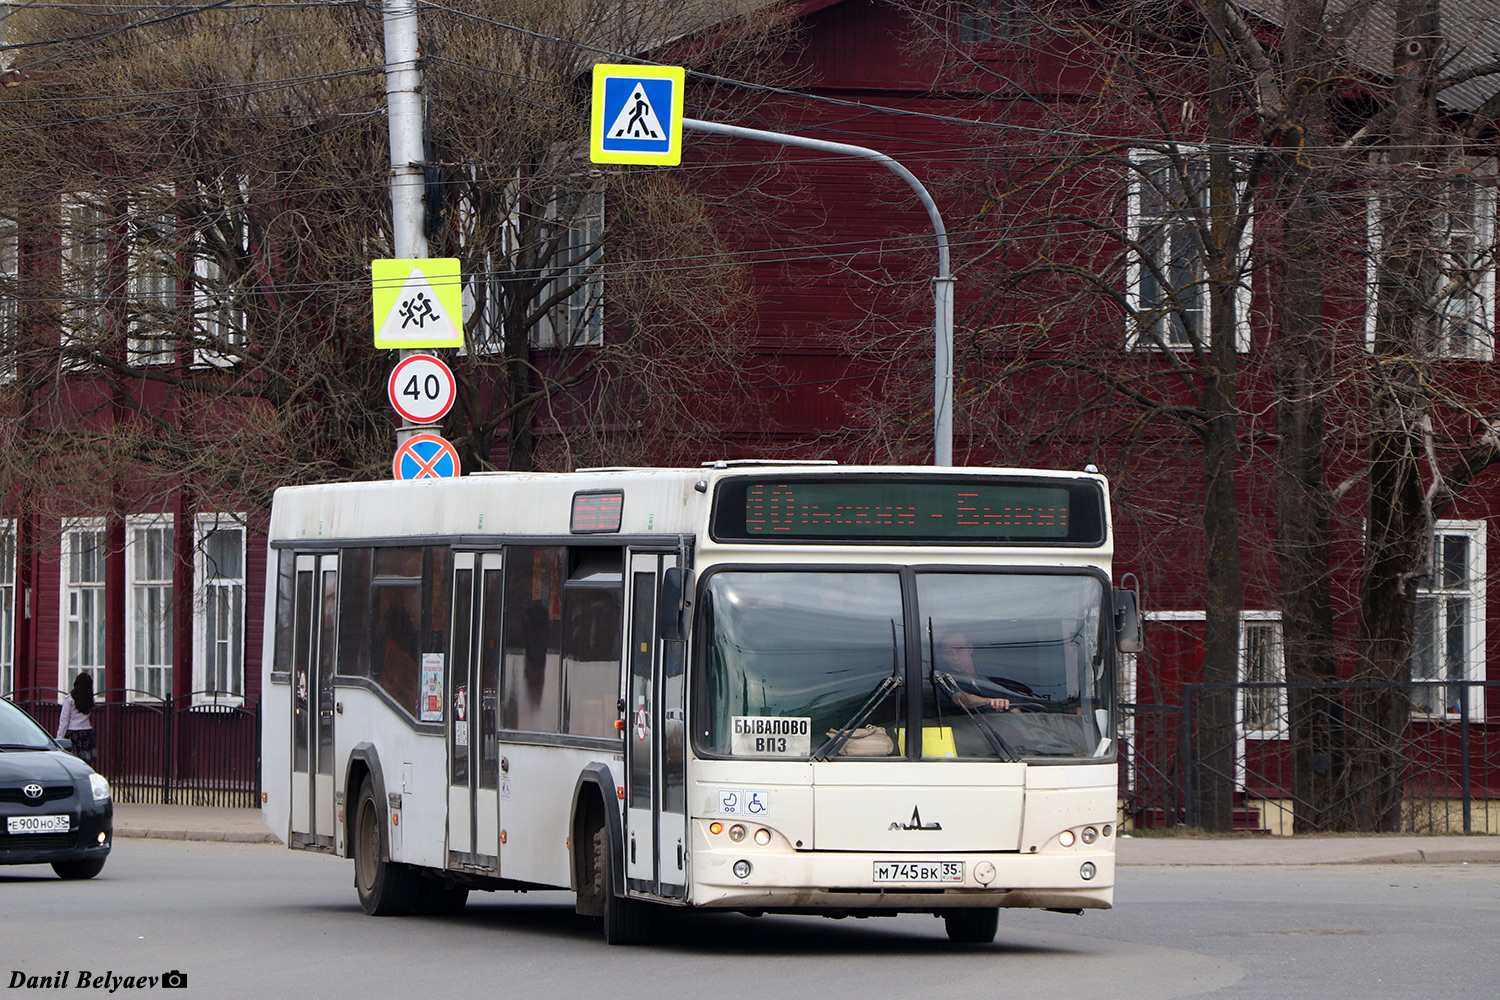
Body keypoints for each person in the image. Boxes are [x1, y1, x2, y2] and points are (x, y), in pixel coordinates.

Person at [936, 632, 1014, 712]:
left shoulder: (994, 672)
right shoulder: (943, 679)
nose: (955, 658)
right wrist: (990, 702)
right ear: (943, 656)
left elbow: (1014, 704)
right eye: (948, 653)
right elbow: (961, 699)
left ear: (970, 648)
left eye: (960, 649)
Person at [56, 673, 97, 765]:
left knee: (72, 762)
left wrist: (59, 738)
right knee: (85, 762)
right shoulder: (90, 699)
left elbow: (64, 720)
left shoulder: (70, 699)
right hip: (87, 732)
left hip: (73, 733)